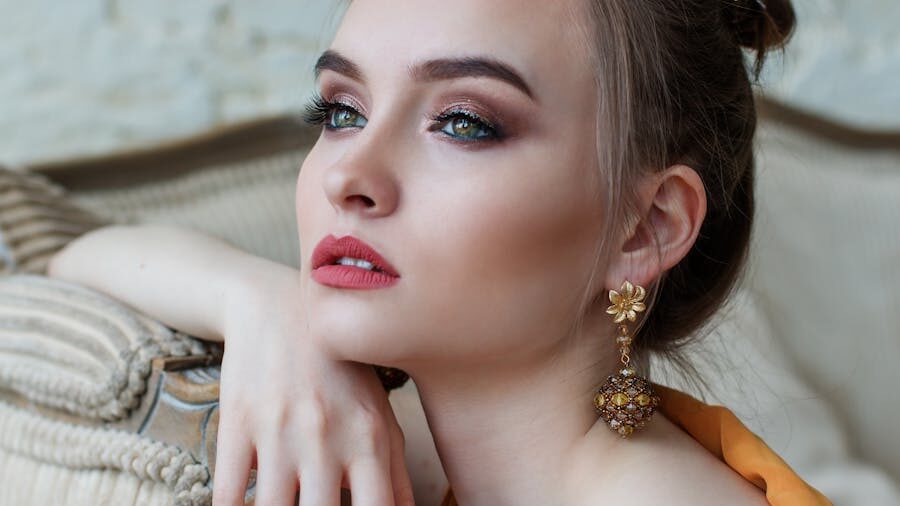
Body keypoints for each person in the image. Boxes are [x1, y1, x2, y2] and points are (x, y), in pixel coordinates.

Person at [47, 0, 835, 504]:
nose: (349, 175)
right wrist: (262, 302)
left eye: (464, 121)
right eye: (341, 109)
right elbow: (61, 256)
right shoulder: (417, 450)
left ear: (646, 228)